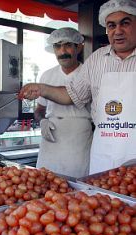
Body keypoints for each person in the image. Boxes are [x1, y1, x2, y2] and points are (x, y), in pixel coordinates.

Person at [19, 0, 136, 174]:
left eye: (125, 23)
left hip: (106, 142)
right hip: (105, 146)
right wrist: (41, 89)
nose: (117, 31)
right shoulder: (97, 59)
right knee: (96, 197)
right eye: (111, 25)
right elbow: (72, 94)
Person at [34, 28, 93, 178]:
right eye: (57, 46)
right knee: (43, 183)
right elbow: (39, 109)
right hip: (51, 137)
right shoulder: (47, 75)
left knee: (77, 186)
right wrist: (42, 122)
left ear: (78, 47)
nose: (62, 51)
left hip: (78, 137)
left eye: (67, 45)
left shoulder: (88, 73)